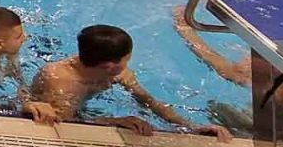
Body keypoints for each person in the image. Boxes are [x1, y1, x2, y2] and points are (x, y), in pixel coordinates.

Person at [26, 25, 232, 141]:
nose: (128, 64)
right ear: (110, 66)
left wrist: (192, 127)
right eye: (127, 58)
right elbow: (64, 128)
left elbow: (149, 101)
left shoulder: (116, 71)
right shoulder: (61, 83)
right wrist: (115, 121)